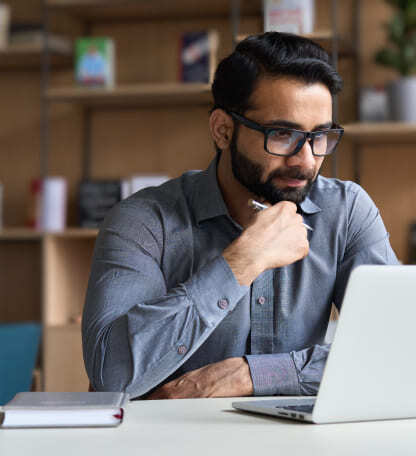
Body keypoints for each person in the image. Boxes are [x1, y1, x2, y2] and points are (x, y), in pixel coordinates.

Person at [82, 32, 399, 400]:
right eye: (282, 134)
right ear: (222, 130)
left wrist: (251, 376)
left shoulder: (346, 212)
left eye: (320, 136)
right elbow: (111, 375)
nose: (307, 160)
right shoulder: (143, 221)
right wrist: (241, 262)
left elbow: (399, 349)